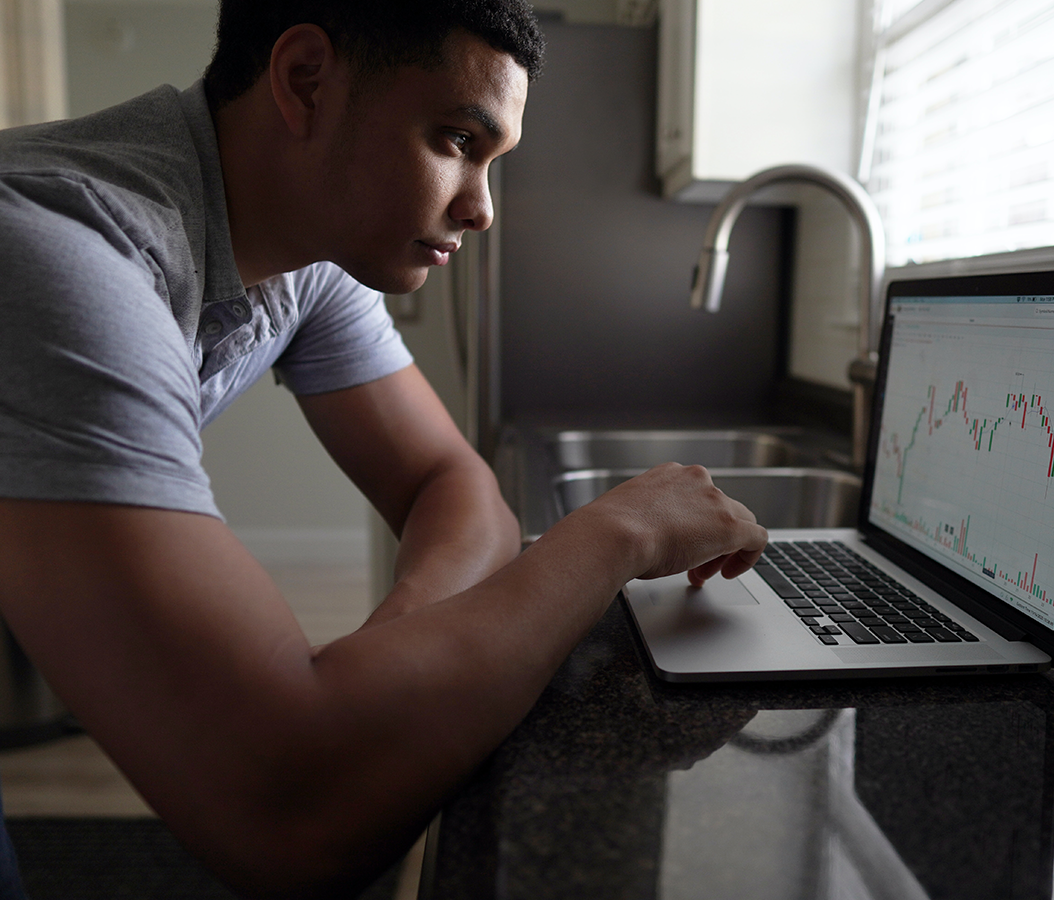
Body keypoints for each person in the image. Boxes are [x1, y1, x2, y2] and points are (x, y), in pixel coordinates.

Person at [0, 1, 767, 896]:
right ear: (305, 82)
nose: (480, 209)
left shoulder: (309, 258)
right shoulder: (59, 253)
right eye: (454, 140)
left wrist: (382, 667)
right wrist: (617, 535)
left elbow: (456, 486)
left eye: (492, 161)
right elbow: (288, 818)